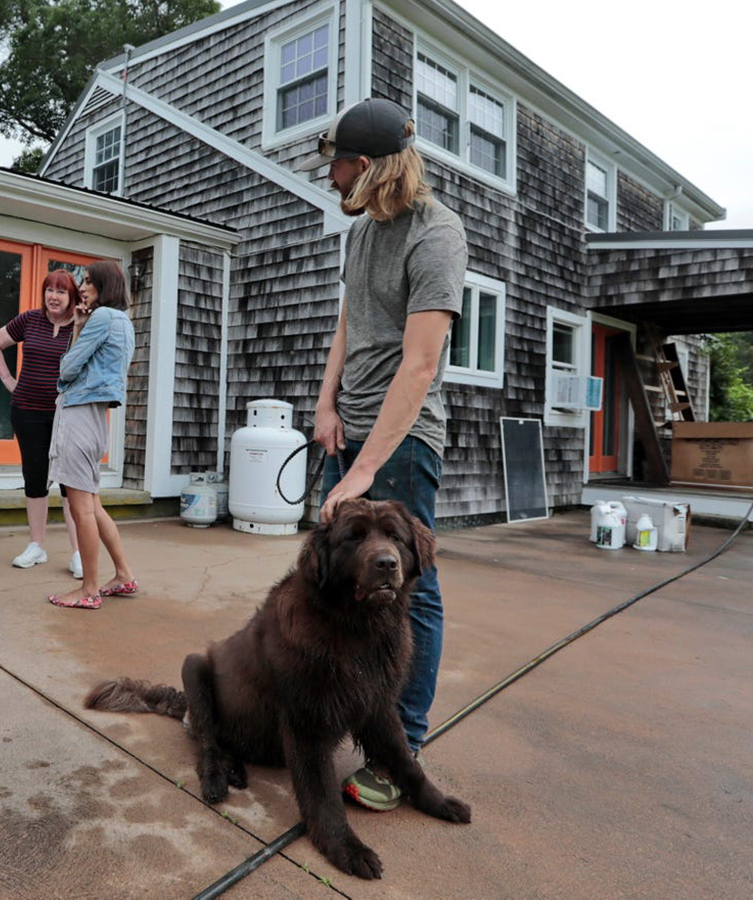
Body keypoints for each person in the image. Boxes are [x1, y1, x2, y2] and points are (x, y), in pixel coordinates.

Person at [298, 98, 468, 809]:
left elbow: (420, 365)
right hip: (354, 432)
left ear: (363, 167)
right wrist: (328, 403)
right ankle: (349, 716)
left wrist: (367, 467)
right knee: (342, 586)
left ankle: (405, 746)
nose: (329, 176)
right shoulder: (364, 235)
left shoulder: (438, 236)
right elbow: (349, 322)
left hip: (402, 443)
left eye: (334, 164)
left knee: (409, 593)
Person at [46, 260, 138, 610]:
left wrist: (78, 329)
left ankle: (88, 589)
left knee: (81, 506)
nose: (81, 288)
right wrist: (79, 326)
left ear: (104, 284)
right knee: (94, 504)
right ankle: (124, 574)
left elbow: (67, 368)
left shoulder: (102, 318)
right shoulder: (123, 323)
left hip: (80, 414)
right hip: (97, 417)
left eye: (87, 281)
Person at [0, 270, 82, 577]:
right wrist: (8, 380)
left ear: (73, 297)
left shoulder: (81, 327)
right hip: (27, 411)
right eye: (49, 290)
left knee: (71, 485)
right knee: (35, 480)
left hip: (66, 415)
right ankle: (36, 546)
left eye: (61, 292)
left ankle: (80, 553)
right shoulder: (29, 320)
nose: (53, 296)